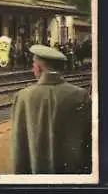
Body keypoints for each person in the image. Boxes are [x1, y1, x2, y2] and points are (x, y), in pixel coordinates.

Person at [11, 44, 91, 174]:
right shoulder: (81, 95)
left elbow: (19, 146)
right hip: (73, 174)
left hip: (37, 174)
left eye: (33, 65)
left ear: (38, 68)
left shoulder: (23, 97)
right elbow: (89, 140)